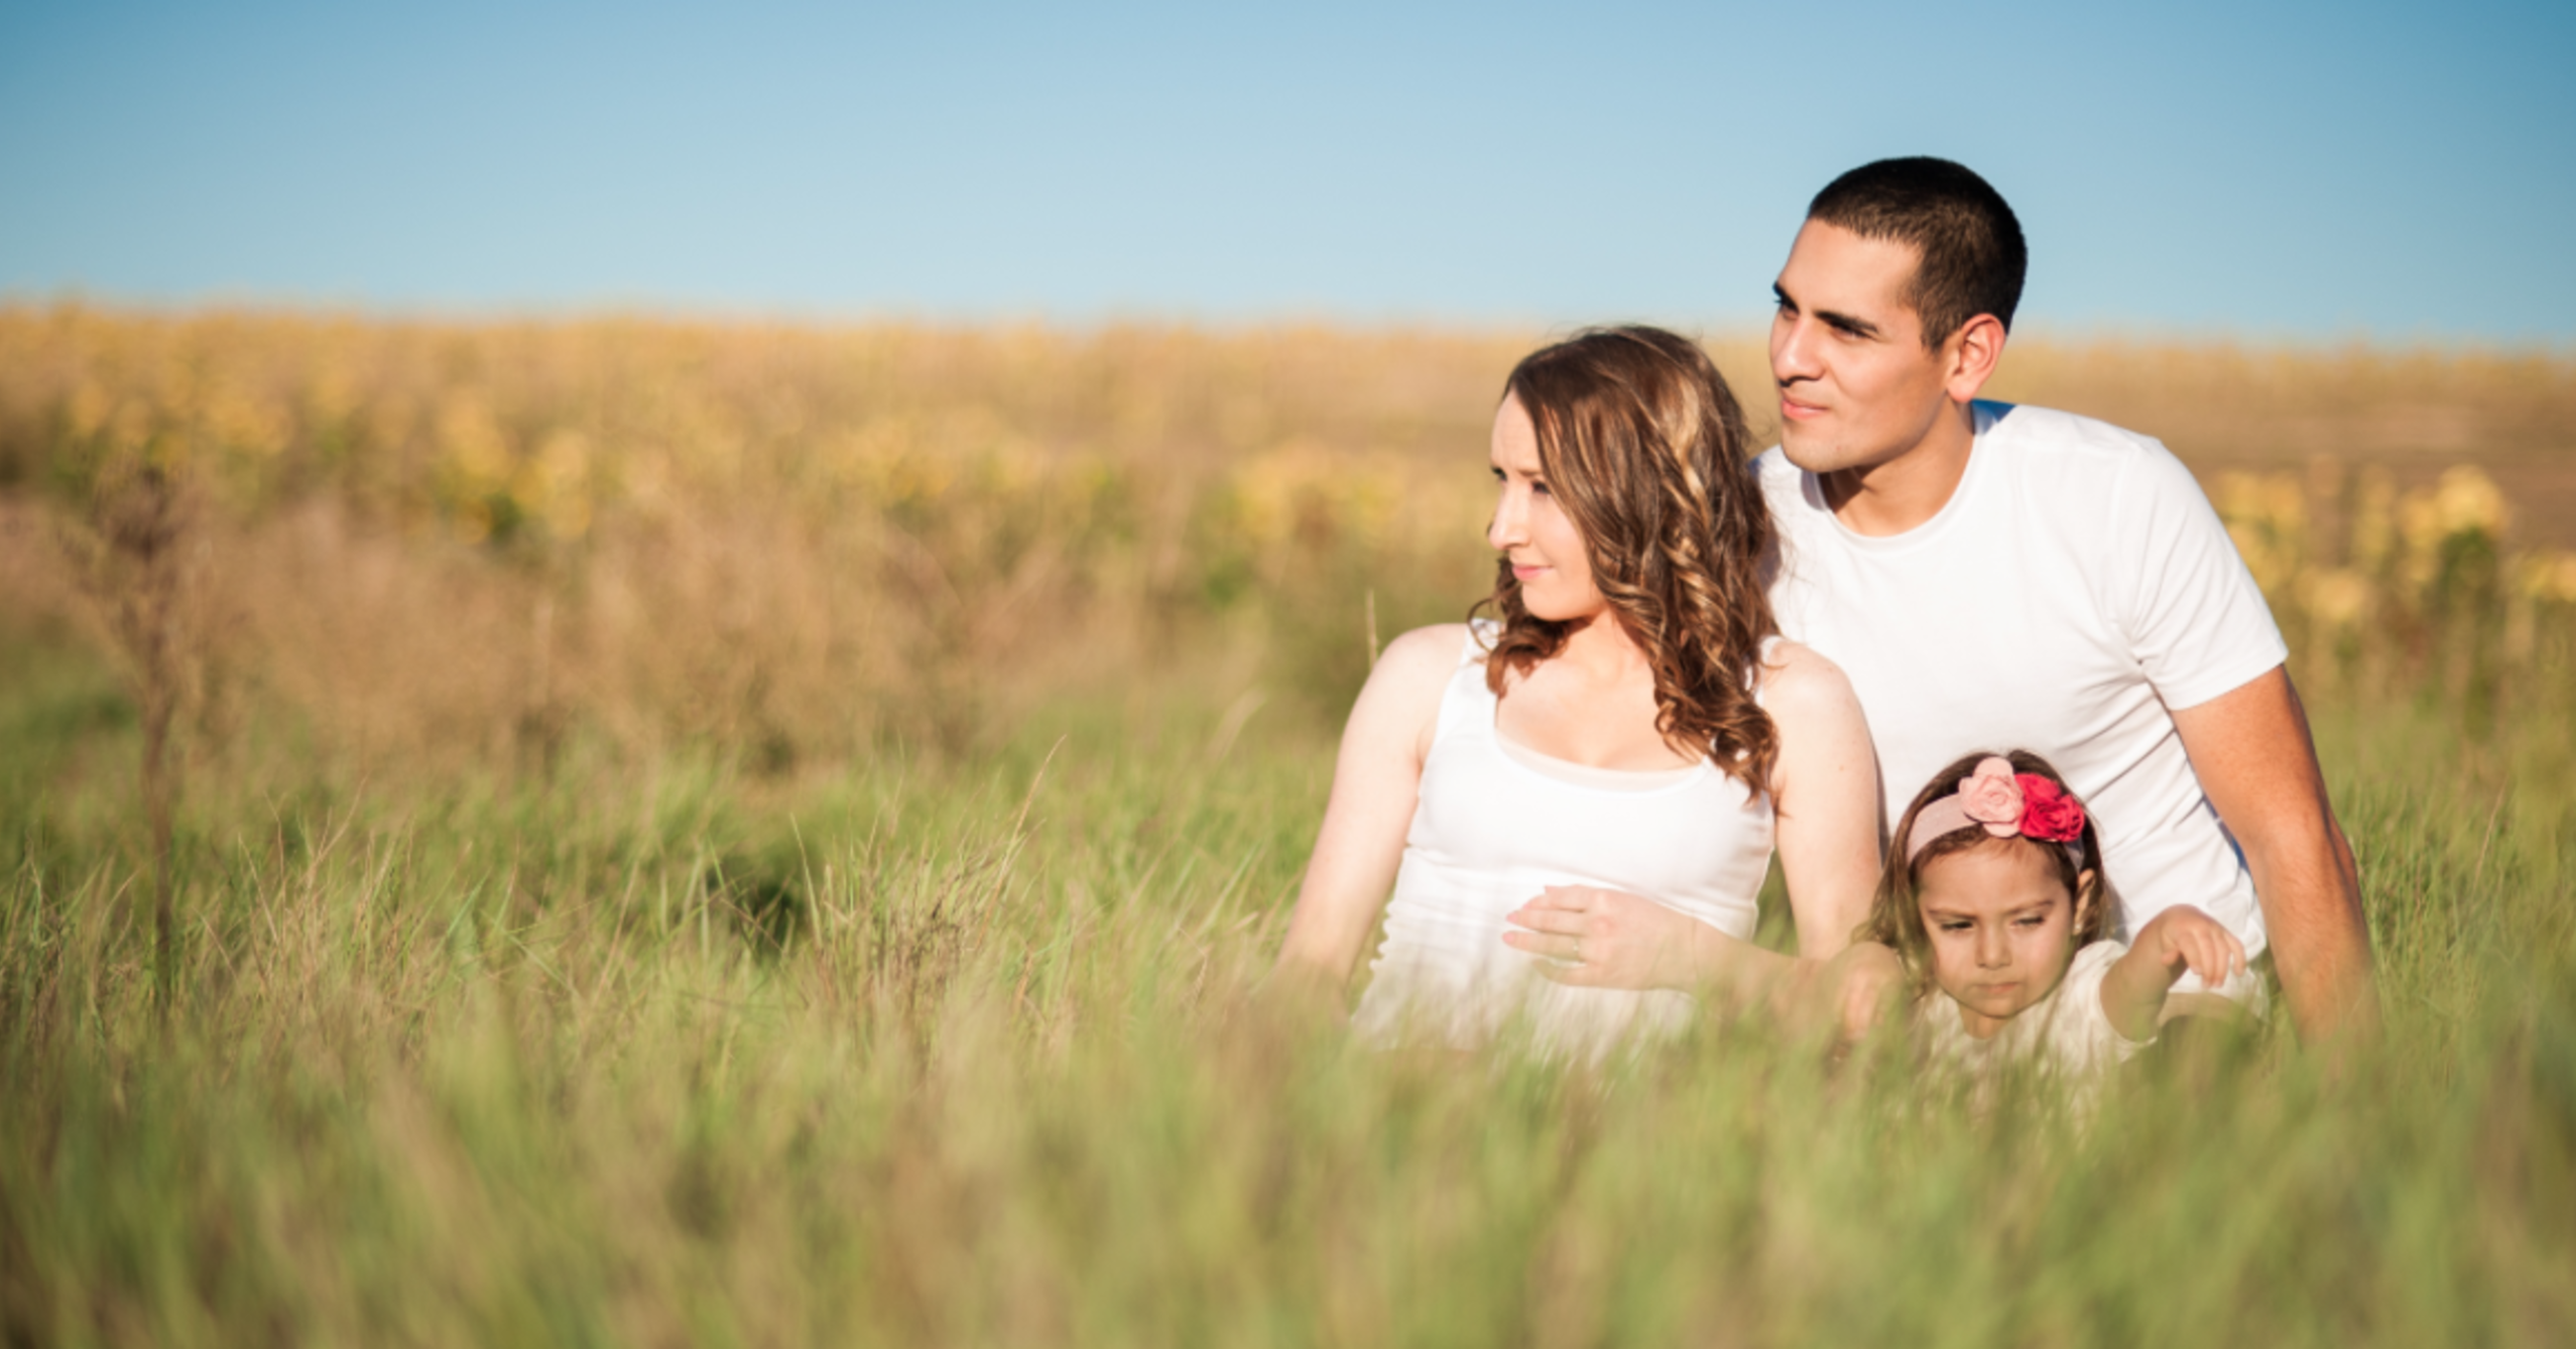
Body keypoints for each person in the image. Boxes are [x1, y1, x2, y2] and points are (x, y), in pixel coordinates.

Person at [1515, 158, 2379, 1049]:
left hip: (2165, 1003)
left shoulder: (2119, 497)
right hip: (1924, 1017)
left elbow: (2289, 832)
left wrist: (2355, 1108)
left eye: (1845, 330)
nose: (1790, 358)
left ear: (1965, 356)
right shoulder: (1738, 527)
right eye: (1787, 308)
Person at [1269, 326, 1883, 1056]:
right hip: (1403, 1104)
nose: (1501, 528)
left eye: (1542, 487)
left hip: (1649, 1126)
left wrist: (1694, 958)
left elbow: (1866, 1006)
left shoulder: (1793, 701)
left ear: (1651, 490)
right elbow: (1306, 976)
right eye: (1501, 479)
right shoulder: (1428, 676)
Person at [1846, 751, 2246, 1096]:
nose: (1993, 955)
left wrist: (2166, 933)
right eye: (1958, 926)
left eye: (2026, 921)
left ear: (2080, 903)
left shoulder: (2081, 1000)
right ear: (1914, 915)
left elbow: (2131, 987)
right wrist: (1866, 960)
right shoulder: (1918, 1003)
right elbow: (1836, 1005)